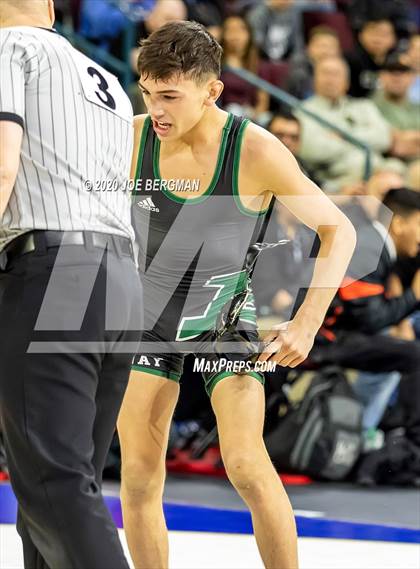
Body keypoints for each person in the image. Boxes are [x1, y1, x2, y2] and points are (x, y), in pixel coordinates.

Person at [117, 20, 356, 569]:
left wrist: (305, 322)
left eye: (171, 96)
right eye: (148, 93)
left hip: (224, 317)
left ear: (212, 91)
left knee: (246, 463)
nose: (157, 110)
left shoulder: (255, 150)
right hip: (148, 318)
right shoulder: (130, 139)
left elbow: (339, 229)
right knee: (138, 474)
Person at [0, 1, 142, 567]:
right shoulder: (106, 77)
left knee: (52, 483)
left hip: (52, 273)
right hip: (119, 278)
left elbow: (2, 166)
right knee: (63, 484)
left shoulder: (9, 48)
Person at [311, 188, 420, 446]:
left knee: (402, 346)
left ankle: (361, 432)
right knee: (413, 355)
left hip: (339, 331)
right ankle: (405, 442)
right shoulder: (368, 247)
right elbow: (369, 319)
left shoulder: (378, 245)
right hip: (323, 336)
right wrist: (413, 296)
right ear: (400, 224)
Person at [298, 56, 405, 192]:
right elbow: (311, 150)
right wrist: (364, 137)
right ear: (314, 80)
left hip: (380, 169)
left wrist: (342, 137)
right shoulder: (303, 111)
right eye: (325, 73)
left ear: (346, 82)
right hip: (338, 179)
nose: (330, 79)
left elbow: (384, 138)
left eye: (336, 74)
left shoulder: (364, 106)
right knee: (387, 186)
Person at [219, 14, 269, 121]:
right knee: (234, 111)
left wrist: (257, 114)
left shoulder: (257, 64)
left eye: (241, 30)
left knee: (266, 118)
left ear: (249, 34)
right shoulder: (217, 63)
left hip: (250, 112)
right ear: (223, 34)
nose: (235, 35)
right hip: (226, 113)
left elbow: (263, 98)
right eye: (230, 30)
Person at [372, 56, 420, 162]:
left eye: (403, 71)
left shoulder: (417, 107)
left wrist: (407, 137)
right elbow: (398, 148)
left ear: (413, 77)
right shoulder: (369, 107)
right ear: (381, 75)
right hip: (389, 165)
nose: (397, 77)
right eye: (391, 70)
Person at [346, 16, 397, 98]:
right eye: (373, 33)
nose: (378, 39)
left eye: (383, 35)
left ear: (393, 39)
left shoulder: (398, 65)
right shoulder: (349, 61)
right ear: (360, 35)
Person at [286, 25, 341, 100]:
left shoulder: (343, 70)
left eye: (331, 47)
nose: (326, 51)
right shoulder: (298, 73)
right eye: (321, 46)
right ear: (309, 48)